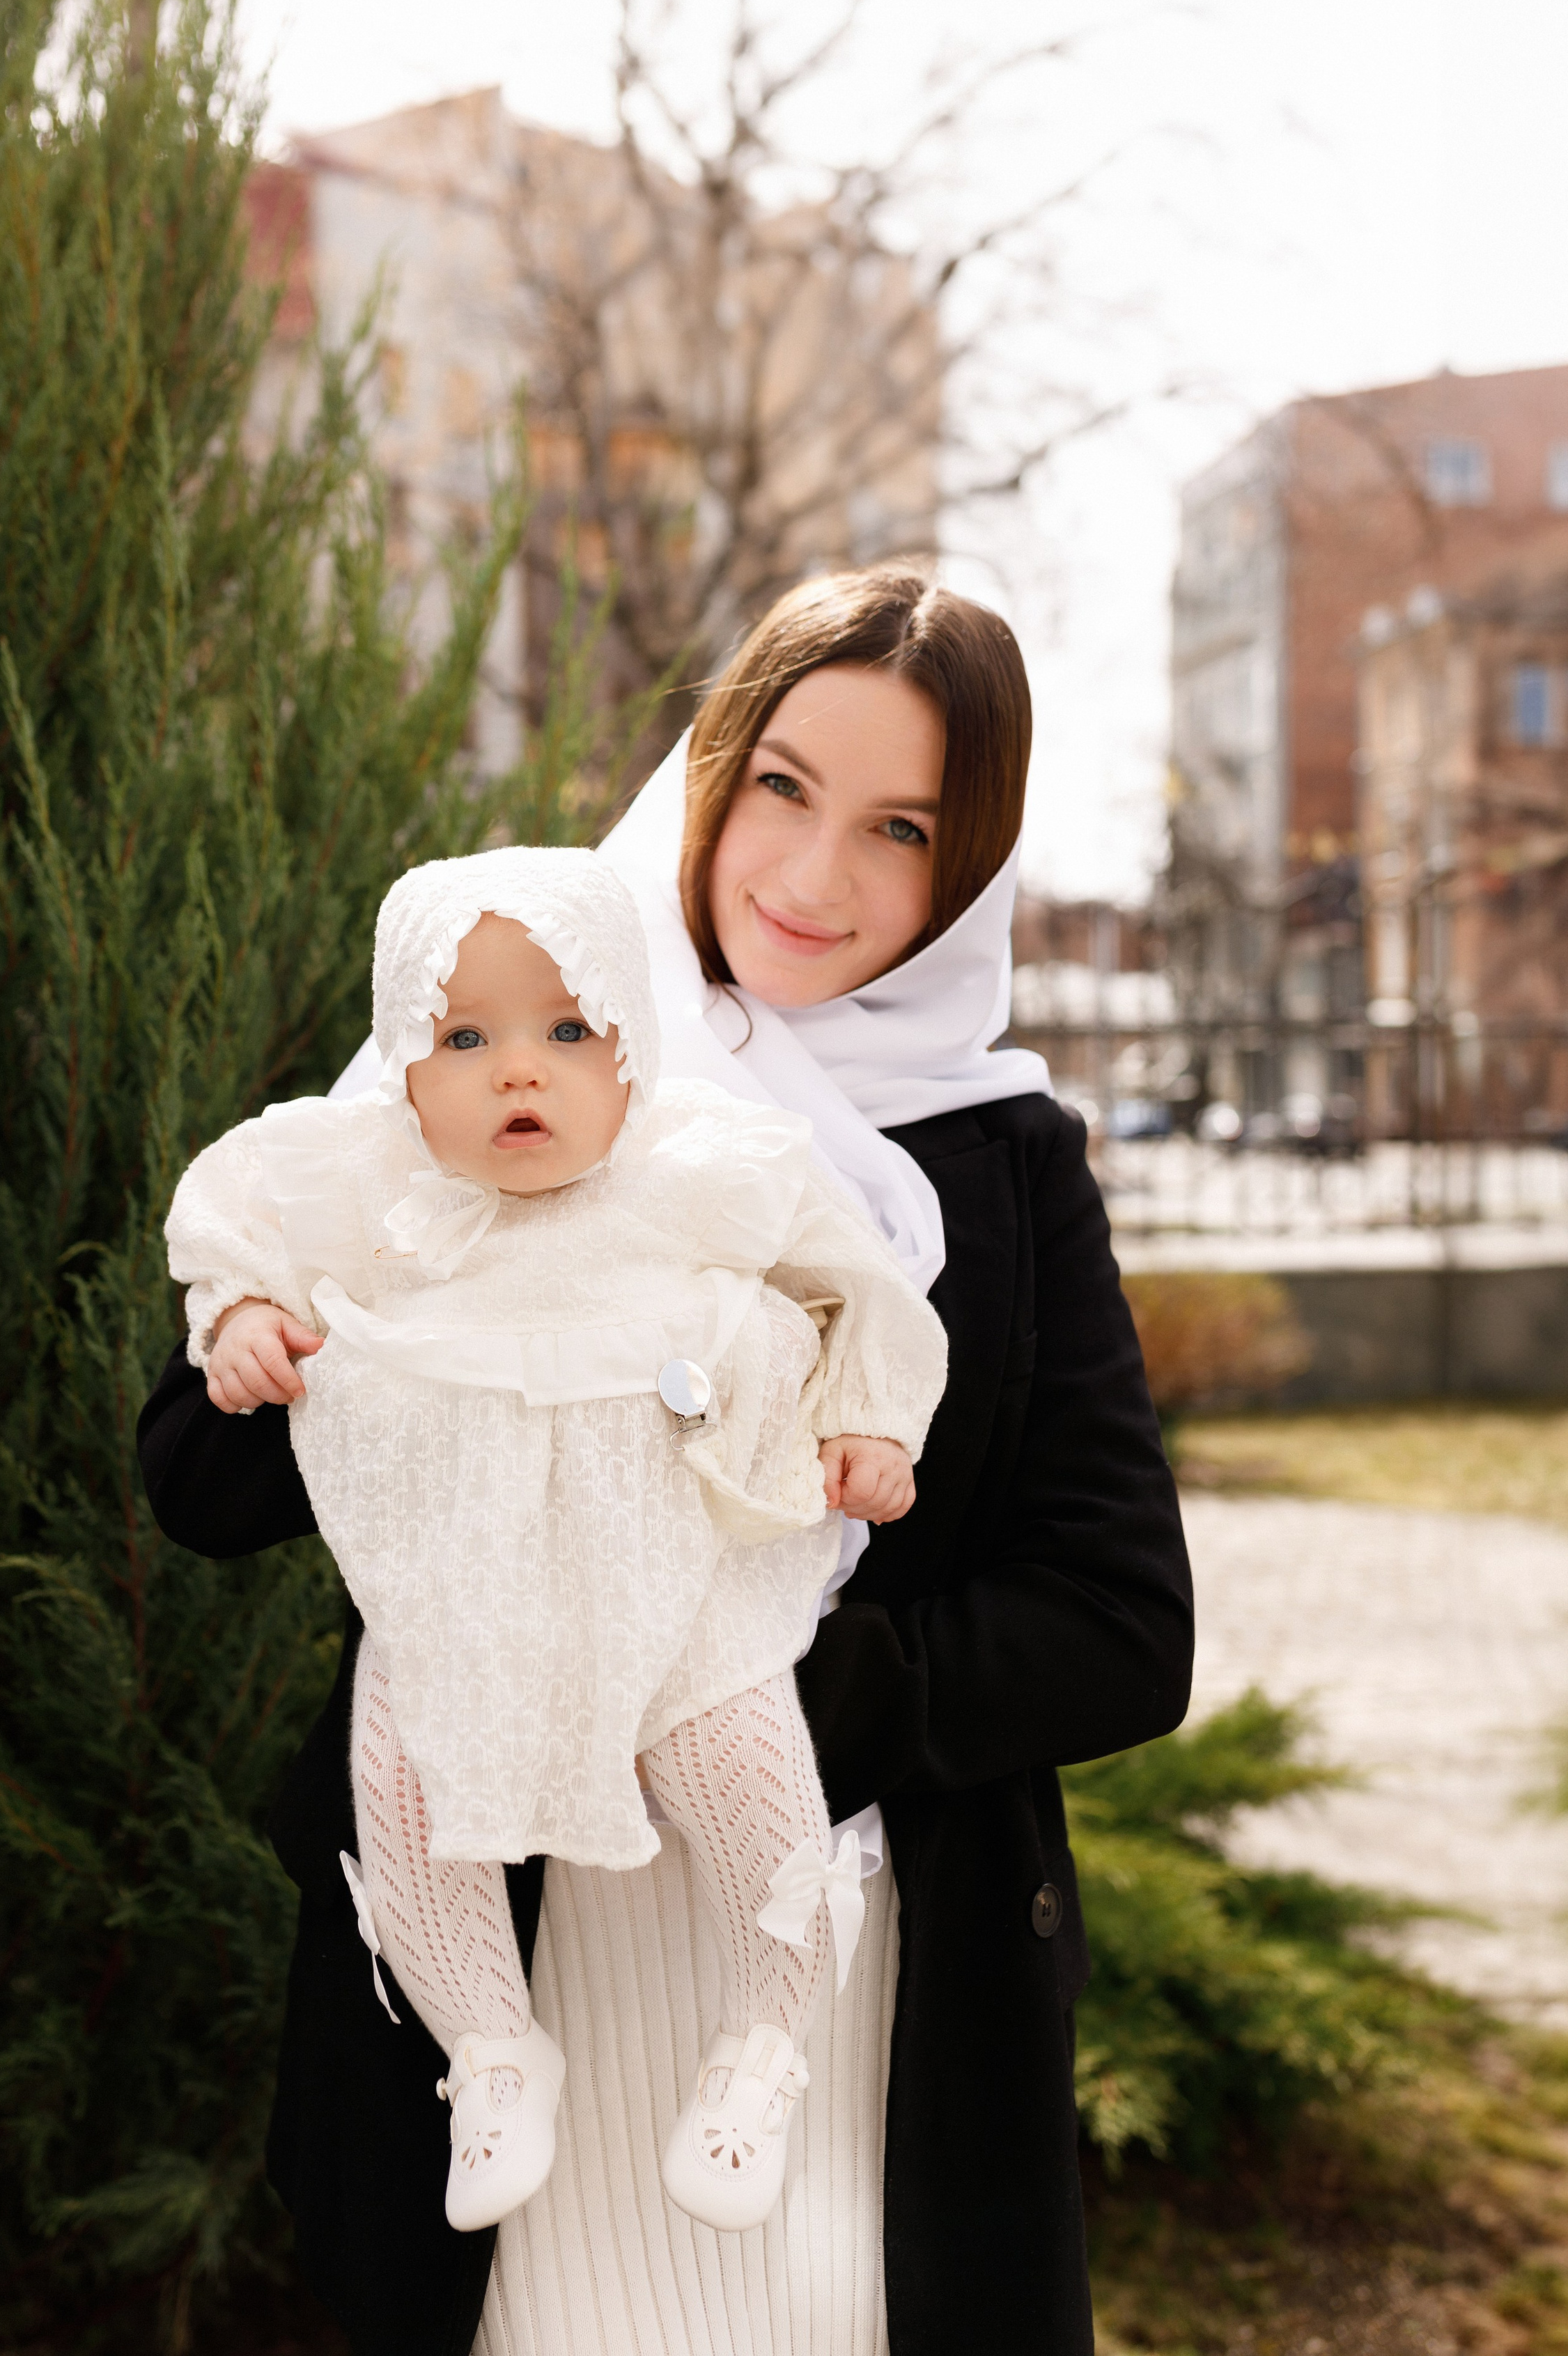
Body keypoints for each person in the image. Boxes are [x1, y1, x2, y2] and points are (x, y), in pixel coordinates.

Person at [137, 563, 1193, 2355]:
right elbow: (205, 1486)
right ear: (711, 768)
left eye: (900, 827)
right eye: (780, 784)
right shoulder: (494, 1037)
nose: (811, 876)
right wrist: (275, 1358)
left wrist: (732, 1681)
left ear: (970, 866)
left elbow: (1117, 1622)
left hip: (845, 1990)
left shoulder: (1002, 1160)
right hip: (514, 1963)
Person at [160, 846, 947, 2236]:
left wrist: (867, 1421)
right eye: (463, 1036)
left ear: (632, 1049)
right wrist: (234, 1322)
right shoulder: (372, 1180)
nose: (516, 1071)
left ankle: (761, 2048)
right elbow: (228, 1211)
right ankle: (489, 2048)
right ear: (401, 1064)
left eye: (566, 1029)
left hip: (679, 1582)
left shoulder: (700, 1163)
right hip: (457, 1586)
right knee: (399, 1794)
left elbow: (857, 1285)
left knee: (763, 1799)